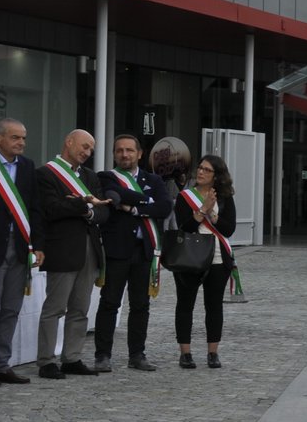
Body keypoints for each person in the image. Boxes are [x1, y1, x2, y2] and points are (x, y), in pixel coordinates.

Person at [35, 129, 111, 379]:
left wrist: (88, 210)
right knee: (55, 308)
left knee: (80, 308)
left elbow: (103, 212)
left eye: (91, 149)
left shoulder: (90, 176)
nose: (87, 152)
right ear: (68, 142)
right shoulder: (46, 173)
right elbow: (50, 209)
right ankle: (46, 360)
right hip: (62, 248)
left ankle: (72, 357)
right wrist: (83, 203)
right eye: (84, 146)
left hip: (90, 248)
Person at [93, 134, 172, 373]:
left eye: (129, 150)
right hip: (117, 251)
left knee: (141, 305)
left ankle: (137, 354)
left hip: (144, 251)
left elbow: (165, 207)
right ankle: (102, 355)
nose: (124, 155)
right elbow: (117, 195)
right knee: (109, 303)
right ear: (114, 154)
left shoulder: (154, 179)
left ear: (139, 154)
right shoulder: (106, 177)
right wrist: (146, 201)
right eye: (119, 150)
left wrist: (134, 208)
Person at [0, 118, 43, 387]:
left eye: (23, 138)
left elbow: (34, 208)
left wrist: (38, 245)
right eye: (15, 137)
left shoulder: (28, 167)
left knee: (10, 309)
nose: (21, 143)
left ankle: (1, 364)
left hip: (19, 248)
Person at [172, 155, 239, 370]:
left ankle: (213, 353)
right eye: (200, 168)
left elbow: (229, 230)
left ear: (216, 175)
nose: (200, 172)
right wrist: (202, 211)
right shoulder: (185, 197)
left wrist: (213, 213)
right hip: (189, 257)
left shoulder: (225, 198)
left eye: (207, 170)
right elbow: (185, 227)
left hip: (218, 258)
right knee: (185, 305)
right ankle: (186, 353)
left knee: (214, 306)